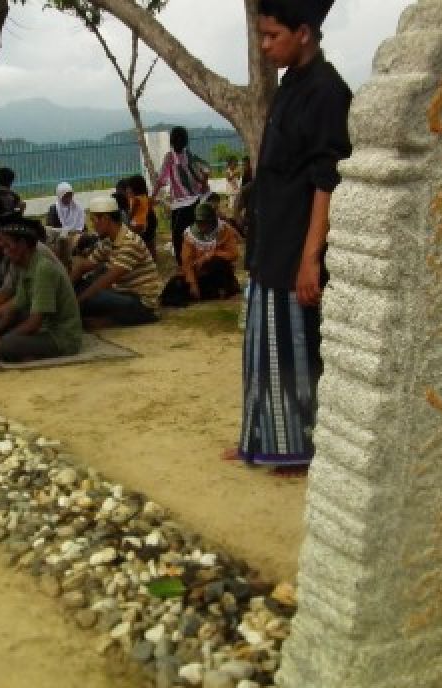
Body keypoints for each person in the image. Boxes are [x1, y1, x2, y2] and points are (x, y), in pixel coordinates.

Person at [231, 0, 352, 473]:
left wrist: (310, 258)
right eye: (261, 36)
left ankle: (297, 448)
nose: (265, 46)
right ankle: (260, 436)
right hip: (270, 242)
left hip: (296, 246)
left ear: (303, 33)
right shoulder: (290, 84)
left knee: (294, 353)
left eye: (272, 36)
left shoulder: (328, 90)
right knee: (261, 349)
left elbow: (327, 179)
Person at [0, 215, 84, 363]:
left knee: (8, 345)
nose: (5, 252)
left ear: (23, 244)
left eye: (7, 246)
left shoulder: (43, 268)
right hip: (44, 328)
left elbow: (34, 323)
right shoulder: (25, 265)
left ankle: (30, 353)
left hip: (61, 336)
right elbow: (16, 307)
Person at [71, 196, 162, 327]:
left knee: (91, 296)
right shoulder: (108, 241)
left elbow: (103, 282)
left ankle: (103, 319)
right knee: (80, 288)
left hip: (143, 302)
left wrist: (75, 303)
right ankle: (101, 319)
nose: (92, 225)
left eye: (94, 220)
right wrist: (68, 286)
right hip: (122, 293)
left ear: (106, 219)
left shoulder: (130, 243)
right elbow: (83, 265)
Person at [151, 126, 211, 266]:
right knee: (192, 232)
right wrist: (204, 184)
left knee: (178, 236)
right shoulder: (189, 155)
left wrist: (152, 197)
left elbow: (161, 180)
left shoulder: (170, 157)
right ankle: (193, 261)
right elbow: (204, 171)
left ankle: (184, 264)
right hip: (192, 201)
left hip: (183, 203)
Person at [174, 202, 242, 303]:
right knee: (176, 286)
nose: (202, 226)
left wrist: (210, 254)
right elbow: (186, 262)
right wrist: (192, 283)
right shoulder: (190, 236)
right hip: (198, 273)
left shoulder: (224, 230)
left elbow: (233, 254)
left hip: (219, 272)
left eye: (205, 223)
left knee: (216, 262)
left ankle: (224, 288)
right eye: (199, 223)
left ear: (212, 221)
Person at [125, 174, 158, 257]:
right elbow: (150, 208)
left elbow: (132, 213)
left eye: (129, 187)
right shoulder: (145, 197)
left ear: (134, 187)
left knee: (133, 240)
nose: (128, 189)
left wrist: (128, 219)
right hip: (147, 222)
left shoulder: (136, 200)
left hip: (137, 223)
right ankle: (153, 259)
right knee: (150, 242)